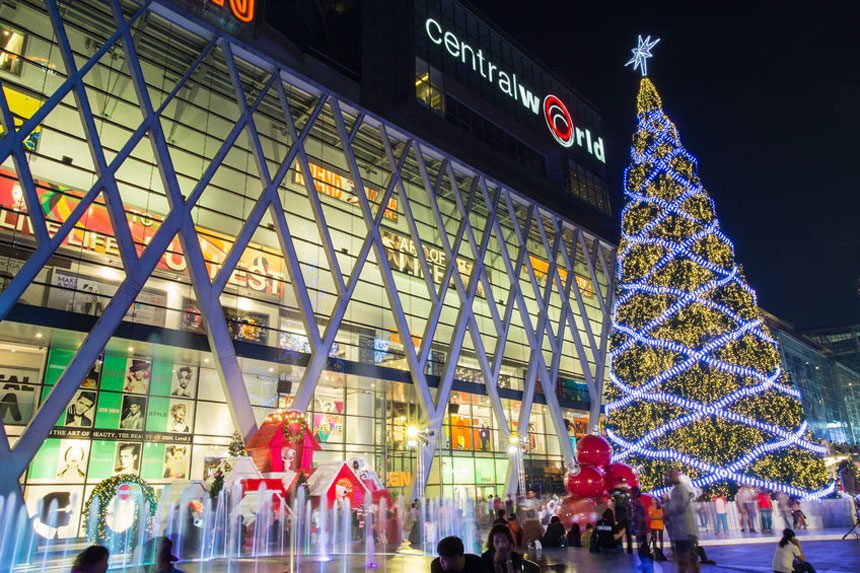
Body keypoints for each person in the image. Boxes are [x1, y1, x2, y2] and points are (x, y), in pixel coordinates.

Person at [664, 470, 699, 573]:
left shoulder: (681, 489)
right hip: (681, 531)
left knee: (687, 558)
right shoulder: (677, 489)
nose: (668, 478)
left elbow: (678, 506)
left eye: (670, 475)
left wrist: (667, 509)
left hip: (685, 530)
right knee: (684, 558)